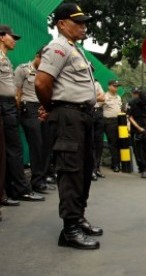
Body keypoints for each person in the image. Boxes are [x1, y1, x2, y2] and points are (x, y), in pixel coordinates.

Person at [35, 3, 102, 250]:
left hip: (82, 117)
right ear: (62, 24)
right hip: (68, 117)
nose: (83, 26)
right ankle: (69, 230)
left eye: (84, 22)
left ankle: (79, 218)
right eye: (78, 22)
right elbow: (42, 83)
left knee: (84, 170)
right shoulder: (58, 47)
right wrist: (52, 108)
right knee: (71, 172)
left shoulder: (75, 49)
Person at [0, 25, 45, 203]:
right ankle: (19, 189)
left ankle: (11, 189)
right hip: (4, 105)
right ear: (2, 37)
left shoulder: (5, 58)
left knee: (11, 150)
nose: (15, 41)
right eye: (12, 37)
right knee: (13, 149)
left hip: (9, 106)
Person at [15, 47, 56, 194]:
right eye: (44, 60)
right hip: (28, 109)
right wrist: (17, 111)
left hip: (44, 108)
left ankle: (41, 179)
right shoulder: (23, 69)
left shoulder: (47, 74)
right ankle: (37, 181)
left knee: (46, 145)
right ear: (37, 56)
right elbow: (17, 92)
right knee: (37, 145)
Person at [102, 79, 122, 173]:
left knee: (119, 143)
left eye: (117, 86)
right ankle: (115, 165)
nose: (116, 88)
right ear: (109, 86)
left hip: (119, 121)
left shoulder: (118, 97)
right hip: (108, 121)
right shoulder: (104, 96)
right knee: (113, 143)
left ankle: (117, 163)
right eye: (114, 86)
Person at [91, 80, 105, 181]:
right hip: (88, 112)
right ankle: (91, 169)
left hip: (98, 113)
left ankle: (97, 168)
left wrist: (91, 98)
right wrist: (96, 97)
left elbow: (103, 98)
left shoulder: (96, 83)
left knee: (99, 143)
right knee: (90, 142)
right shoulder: (83, 82)